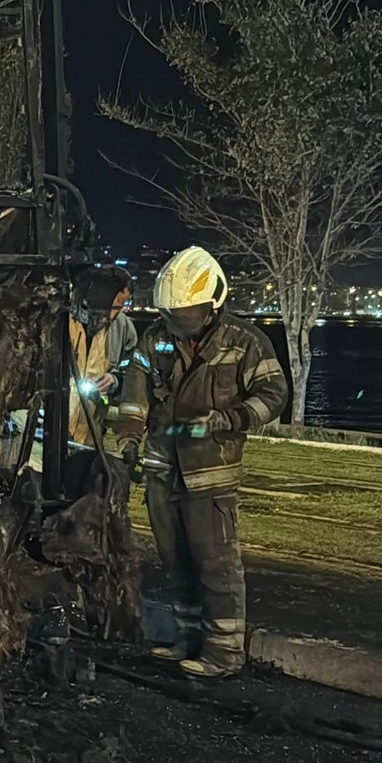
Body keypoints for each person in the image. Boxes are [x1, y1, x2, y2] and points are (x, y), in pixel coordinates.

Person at [117, 247, 288, 678]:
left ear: (211, 306)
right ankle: (187, 640)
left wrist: (231, 419)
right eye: (172, 314)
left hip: (210, 473)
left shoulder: (244, 342)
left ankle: (225, 652)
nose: (177, 323)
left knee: (215, 563)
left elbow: (273, 394)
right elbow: (134, 393)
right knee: (175, 562)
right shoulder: (154, 339)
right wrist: (129, 440)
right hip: (162, 469)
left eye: (185, 315)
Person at [69, 266, 137, 447]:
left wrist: (114, 380)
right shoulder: (63, 321)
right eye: (115, 306)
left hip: (88, 436)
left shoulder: (123, 328)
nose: (116, 314)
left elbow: (131, 373)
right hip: (42, 436)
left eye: (122, 307)